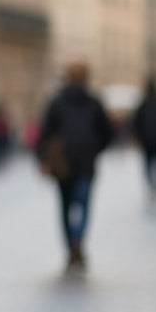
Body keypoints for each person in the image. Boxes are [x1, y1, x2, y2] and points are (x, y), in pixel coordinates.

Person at [36, 59, 113, 272]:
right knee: (84, 205)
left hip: (62, 165)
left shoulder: (57, 102)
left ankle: (71, 247)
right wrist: (95, 150)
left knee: (65, 207)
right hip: (86, 164)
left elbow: (45, 133)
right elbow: (107, 133)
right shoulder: (94, 102)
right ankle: (79, 239)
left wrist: (42, 159)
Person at [131, 76, 156, 195]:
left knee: (149, 162)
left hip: (148, 139)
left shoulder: (143, 105)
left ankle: (152, 183)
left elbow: (136, 122)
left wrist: (139, 136)